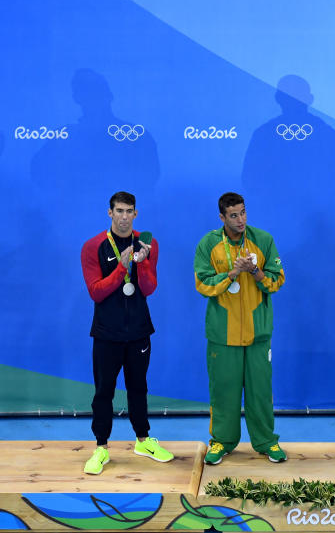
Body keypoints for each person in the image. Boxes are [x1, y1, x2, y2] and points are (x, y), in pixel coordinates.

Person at [79, 191, 173, 474]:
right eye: (118, 211)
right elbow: (96, 292)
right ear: (109, 213)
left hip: (139, 331)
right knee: (103, 391)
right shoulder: (92, 246)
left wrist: (142, 262)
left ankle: (143, 440)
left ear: (136, 214)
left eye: (128, 211)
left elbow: (148, 288)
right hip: (107, 332)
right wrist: (122, 266)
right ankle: (101, 448)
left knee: (138, 388)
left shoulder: (148, 243)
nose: (123, 217)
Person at [194, 192, 286, 464]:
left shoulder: (263, 240)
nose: (241, 219)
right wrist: (232, 273)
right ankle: (221, 442)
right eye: (234, 215)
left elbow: (277, 281)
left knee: (260, 392)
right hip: (223, 335)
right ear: (222, 217)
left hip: (258, 333)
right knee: (223, 392)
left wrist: (255, 272)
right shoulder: (208, 244)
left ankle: (267, 442)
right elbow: (203, 284)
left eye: (243, 212)